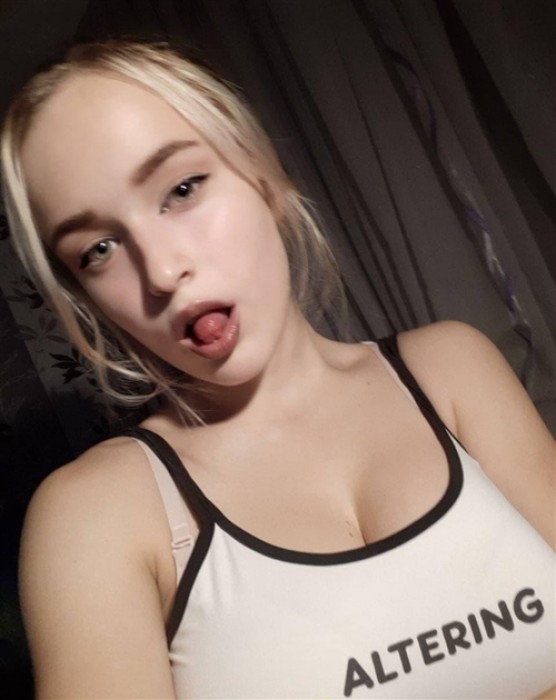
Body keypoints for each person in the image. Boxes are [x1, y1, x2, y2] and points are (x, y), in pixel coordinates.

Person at [1, 40, 554, 700]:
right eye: (98, 249)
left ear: (263, 175)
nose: (162, 270)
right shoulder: (95, 516)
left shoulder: (452, 370)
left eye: (182, 189)